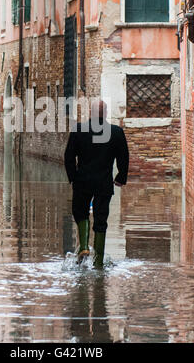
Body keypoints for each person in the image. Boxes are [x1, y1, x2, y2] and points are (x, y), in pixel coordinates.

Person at [64, 100, 129, 268]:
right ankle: (98, 261)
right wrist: (121, 177)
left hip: (82, 181)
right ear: (105, 113)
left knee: (80, 212)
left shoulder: (79, 130)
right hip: (104, 183)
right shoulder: (116, 132)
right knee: (101, 219)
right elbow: (124, 157)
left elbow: (69, 157)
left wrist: (73, 177)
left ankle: (84, 247)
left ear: (90, 113)